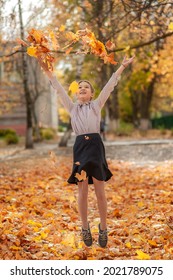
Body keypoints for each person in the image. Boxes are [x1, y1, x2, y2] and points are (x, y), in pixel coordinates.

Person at [37, 55, 135, 248]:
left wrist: (122, 67)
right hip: (80, 147)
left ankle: (104, 227)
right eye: (79, 87)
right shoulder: (72, 108)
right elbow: (56, 86)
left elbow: (109, 86)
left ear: (91, 94)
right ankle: (84, 227)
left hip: (96, 147)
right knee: (82, 189)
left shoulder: (97, 105)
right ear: (76, 94)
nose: (82, 89)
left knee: (99, 190)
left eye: (86, 87)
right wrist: (46, 68)